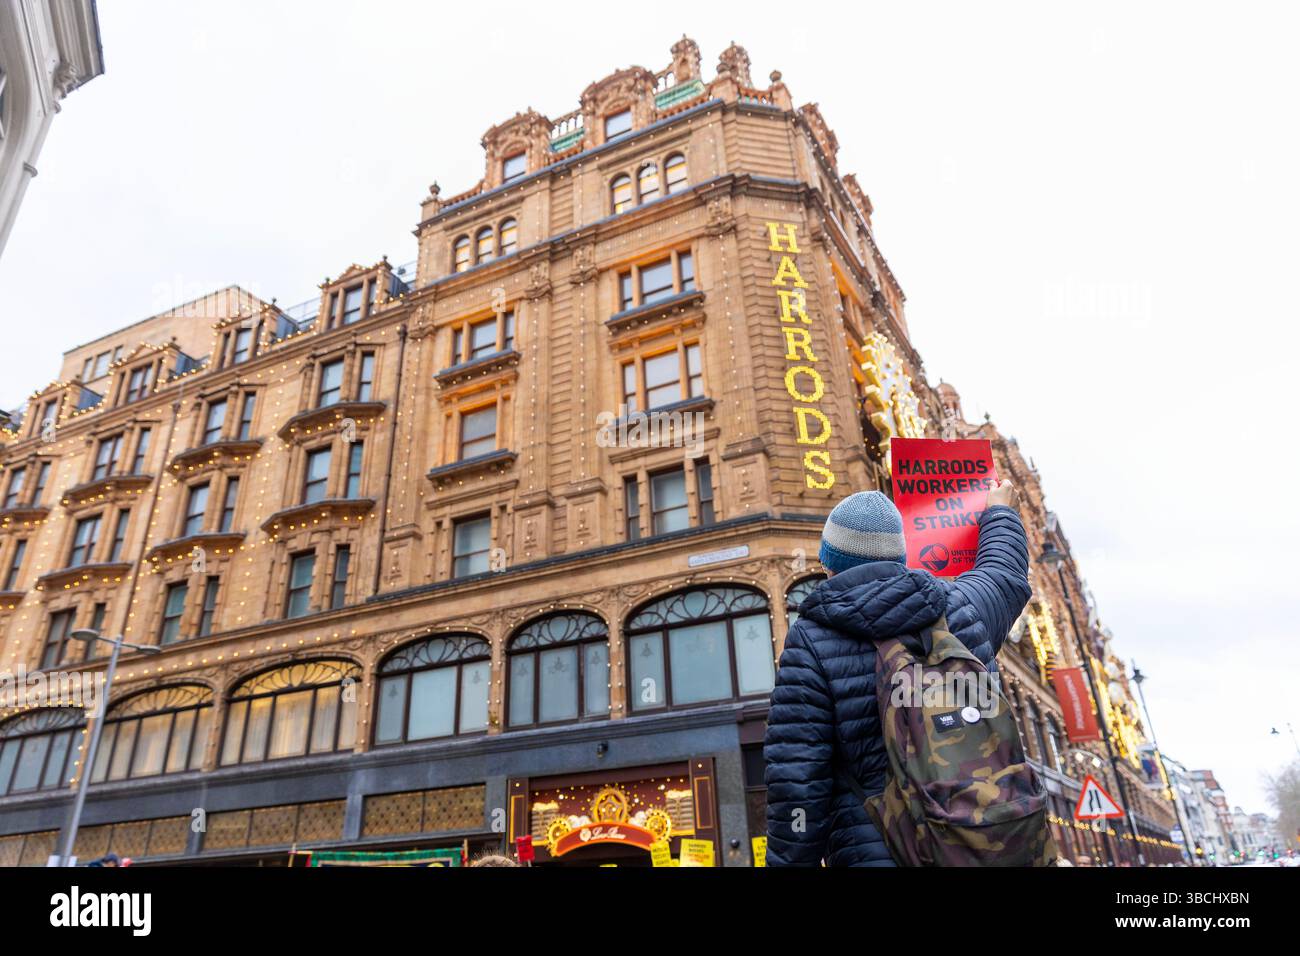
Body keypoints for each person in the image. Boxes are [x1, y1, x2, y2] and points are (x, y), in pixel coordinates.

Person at [764, 481, 1031, 866]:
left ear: (827, 565)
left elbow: (798, 778)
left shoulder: (811, 638)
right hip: (982, 840)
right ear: (900, 557)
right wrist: (1001, 511)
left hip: (877, 849)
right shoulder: (958, 607)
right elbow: (1004, 576)